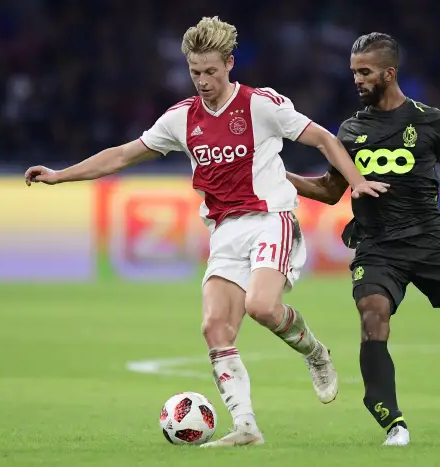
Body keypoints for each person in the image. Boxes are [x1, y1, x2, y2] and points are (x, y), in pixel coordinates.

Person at [24, 17, 388, 448]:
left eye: (211, 72)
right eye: (195, 72)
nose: (203, 81)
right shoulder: (181, 118)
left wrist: (356, 182)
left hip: (272, 218)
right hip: (224, 230)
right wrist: (61, 175)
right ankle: (247, 427)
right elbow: (123, 155)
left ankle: (315, 353)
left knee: (263, 307)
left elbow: (325, 139)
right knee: (215, 327)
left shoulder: (261, 105)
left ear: (229, 64)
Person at [286, 33, 440, 447]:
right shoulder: (350, 129)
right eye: (354, 73)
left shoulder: (430, 121)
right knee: (372, 313)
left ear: (389, 73)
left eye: (365, 73)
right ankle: (391, 421)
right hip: (378, 246)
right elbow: (330, 191)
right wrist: (277, 176)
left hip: (432, 241)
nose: (357, 80)